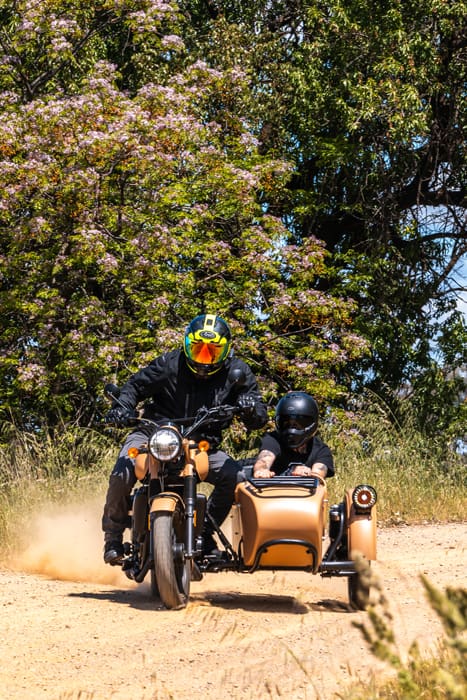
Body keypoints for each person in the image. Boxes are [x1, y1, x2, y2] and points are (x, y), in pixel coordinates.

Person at [102, 313, 268, 564]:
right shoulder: (169, 364)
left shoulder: (237, 372)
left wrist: (250, 408)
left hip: (201, 444)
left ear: (226, 352)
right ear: (187, 345)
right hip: (153, 435)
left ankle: (205, 535)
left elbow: (259, 417)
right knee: (122, 472)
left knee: (234, 477)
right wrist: (121, 408)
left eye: (212, 352)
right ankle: (113, 537)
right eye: (198, 349)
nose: (204, 358)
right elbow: (134, 387)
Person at [252, 391, 334, 480]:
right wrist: (262, 470)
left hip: (303, 489)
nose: (291, 429)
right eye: (286, 423)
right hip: (270, 488)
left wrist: (308, 474)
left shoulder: (321, 450)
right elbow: (264, 459)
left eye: (298, 423)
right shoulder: (273, 440)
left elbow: (319, 473)